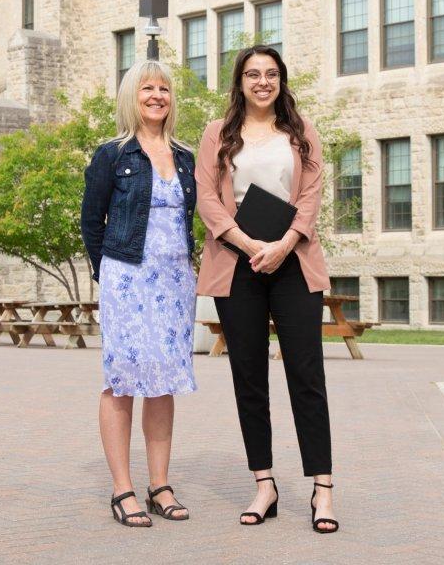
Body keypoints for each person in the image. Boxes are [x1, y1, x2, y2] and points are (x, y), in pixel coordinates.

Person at [195, 45, 339, 533]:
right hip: (236, 265)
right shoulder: (217, 134)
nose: (262, 82)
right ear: (239, 82)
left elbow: (311, 195)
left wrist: (283, 244)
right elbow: (208, 199)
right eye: (253, 74)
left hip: (293, 261)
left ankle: (323, 488)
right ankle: (265, 485)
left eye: (271, 74)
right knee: (249, 377)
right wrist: (246, 241)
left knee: (306, 375)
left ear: (281, 81)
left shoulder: (301, 133)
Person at [81, 60, 197, 528]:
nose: (157, 95)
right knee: (123, 377)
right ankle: (122, 489)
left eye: (164, 88)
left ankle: (160, 484)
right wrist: (107, 274)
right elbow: (92, 223)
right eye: (147, 88)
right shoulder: (112, 154)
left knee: (163, 379)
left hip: (174, 281)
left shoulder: (185, 156)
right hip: (126, 277)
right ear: (132, 96)